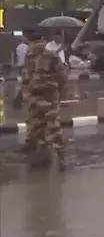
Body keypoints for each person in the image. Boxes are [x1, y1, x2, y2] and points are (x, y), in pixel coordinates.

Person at [21, 30, 68, 169]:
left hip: (41, 97)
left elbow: (26, 77)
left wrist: (25, 94)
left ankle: (55, 158)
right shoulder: (34, 56)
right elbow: (61, 76)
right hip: (44, 97)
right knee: (45, 127)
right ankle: (51, 157)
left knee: (45, 127)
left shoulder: (42, 56)